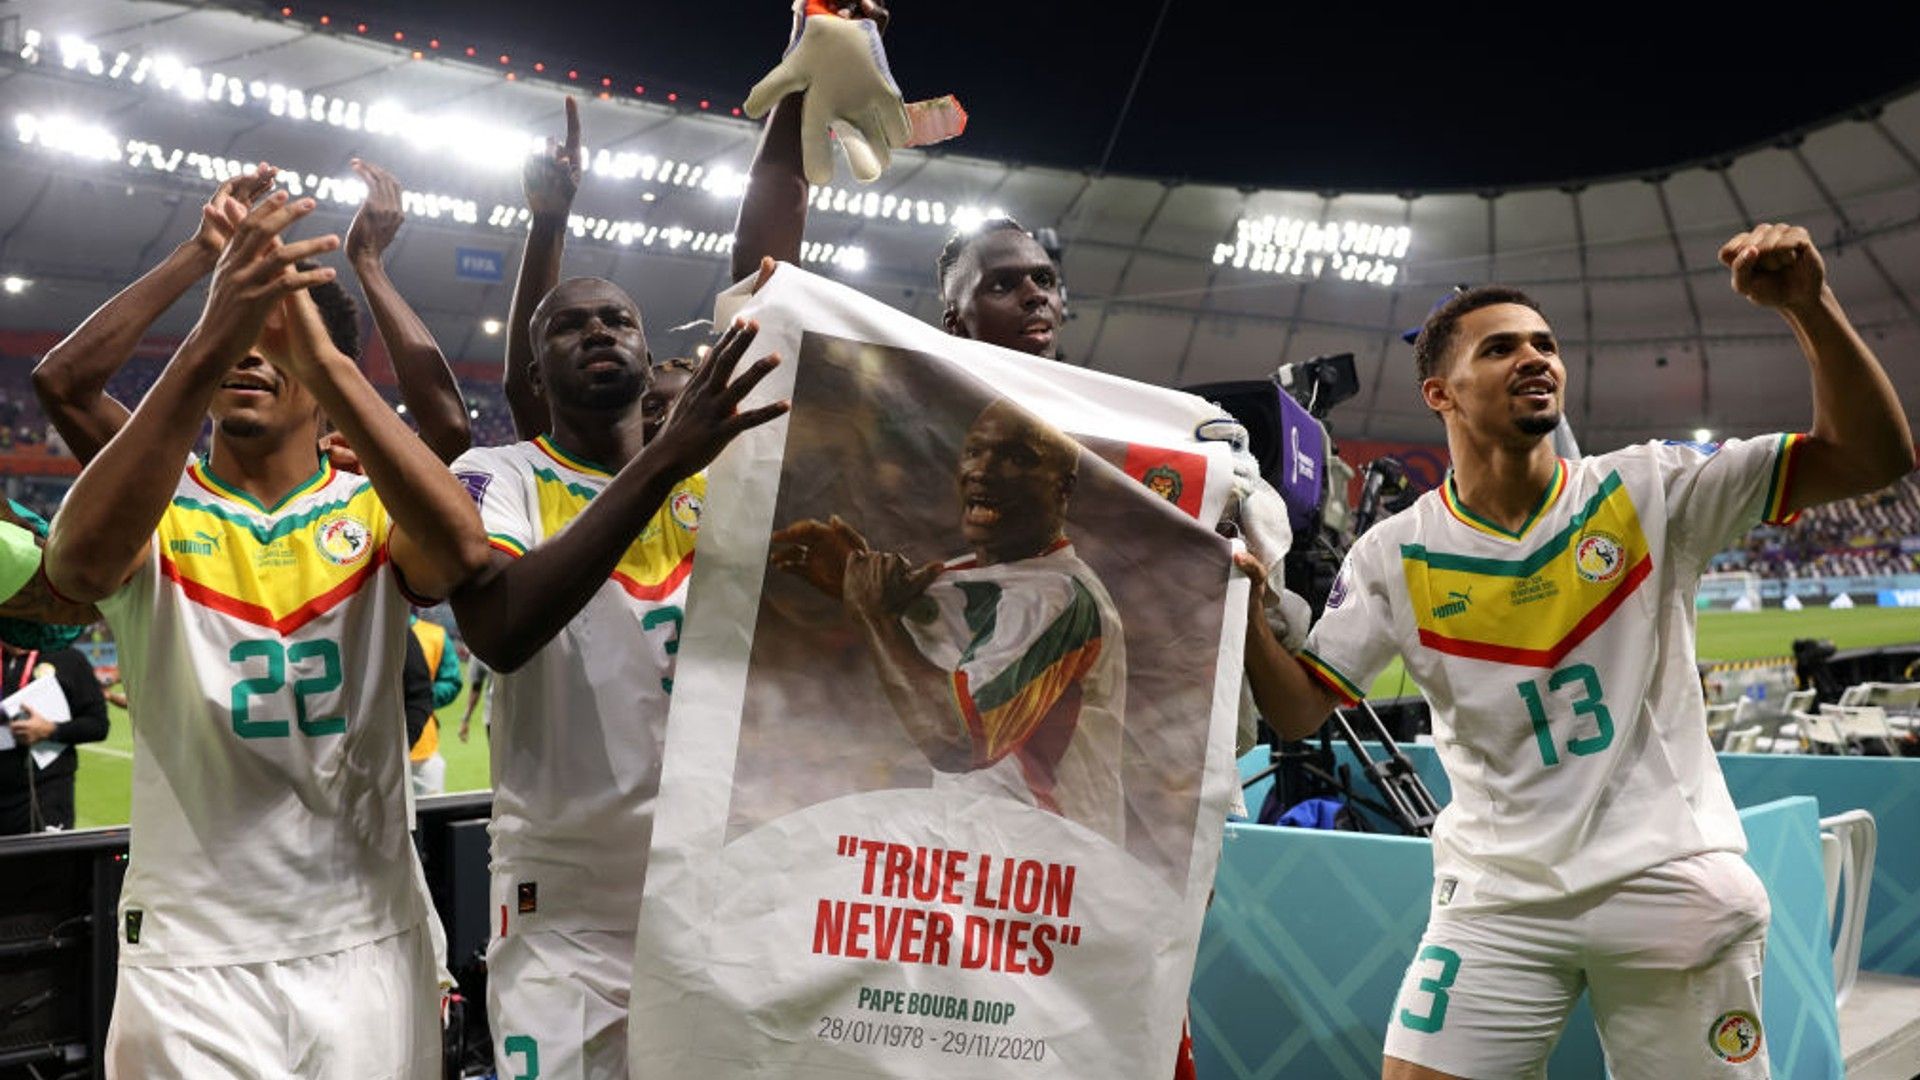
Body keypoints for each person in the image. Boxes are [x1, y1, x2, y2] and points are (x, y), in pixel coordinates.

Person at [1260, 225, 1914, 1078]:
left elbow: (1873, 456)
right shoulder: (1393, 552)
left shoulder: (1650, 488)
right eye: (1501, 349)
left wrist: (1809, 308)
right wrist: (1239, 610)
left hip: (1669, 884)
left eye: (1546, 345)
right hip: (1497, 904)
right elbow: (1299, 706)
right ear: (1440, 393)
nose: (1535, 359)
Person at [42, 186, 491, 1077]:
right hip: (192, 956)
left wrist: (322, 358)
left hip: (367, 936)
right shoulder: (153, 506)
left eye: (273, 342)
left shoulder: (372, 505)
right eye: (232, 343)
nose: (250, 356)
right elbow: (79, 568)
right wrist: (216, 311)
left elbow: (462, 553)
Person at [447, 99, 789, 1079]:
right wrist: (665, 459)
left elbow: (767, 287)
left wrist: (802, 86)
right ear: (535, 368)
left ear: (649, 358)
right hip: (568, 914)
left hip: (721, 892)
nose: (600, 331)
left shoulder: (718, 485)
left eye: (621, 320)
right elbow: (504, 626)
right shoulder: (500, 478)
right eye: (571, 326)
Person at [772, 399, 1126, 842]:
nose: (984, 470)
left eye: (1017, 458)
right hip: (982, 858)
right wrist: (854, 583)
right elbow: (926, 649)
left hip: (1039, 869)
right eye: (975, 452)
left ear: (1063, 487)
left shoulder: (1056, 597)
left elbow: (955, 741)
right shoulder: (980, 574)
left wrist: (874, 615)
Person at [0, 629, 109, 834]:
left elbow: (98, 725)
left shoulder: (68, 659)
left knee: (45, 865)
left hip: (46, 795)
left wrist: (51, 730)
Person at [407, 614, 462, 795]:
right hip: (371, 749)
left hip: (422, 746)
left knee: (430, 814)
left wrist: (421, 697)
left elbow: (452, 680)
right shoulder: (364, 632)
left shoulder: (434, 635)